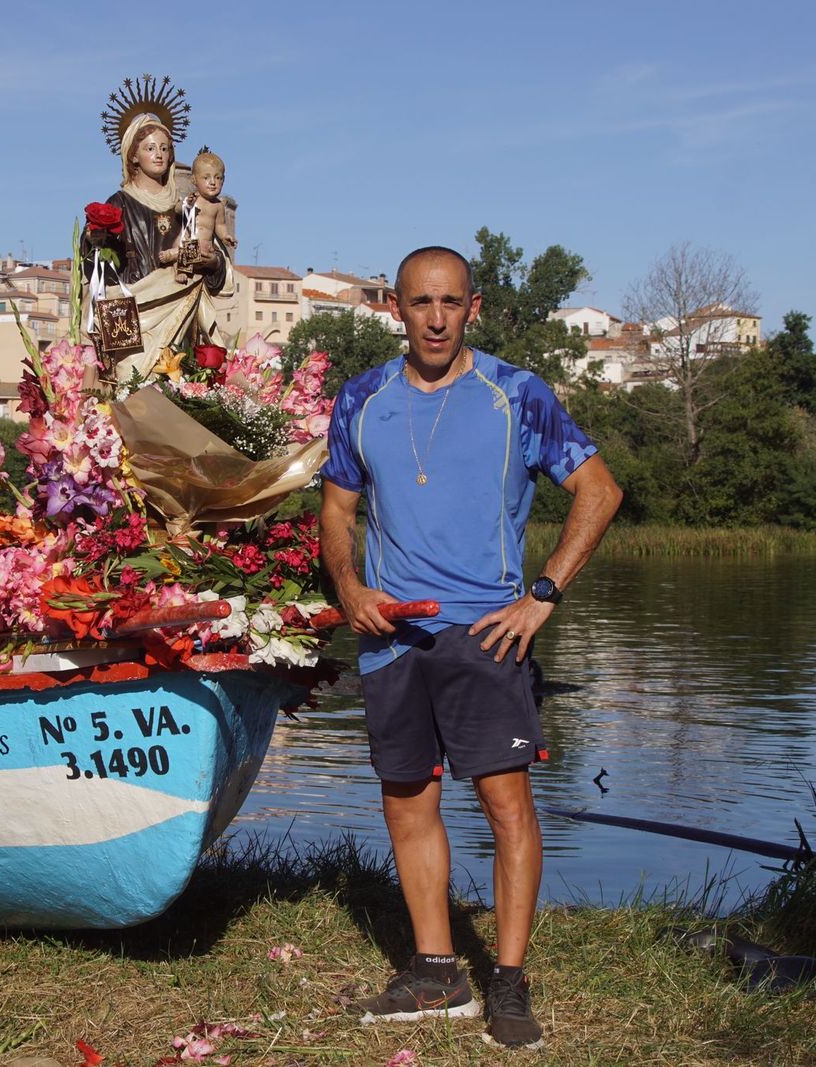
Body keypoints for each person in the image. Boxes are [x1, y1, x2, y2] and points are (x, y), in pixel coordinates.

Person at [319, 245, 622, 1049]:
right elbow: (337, 508)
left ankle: (510, 984)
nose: (437, 317)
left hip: (487, 629)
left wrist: (542, 595)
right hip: (391, 636)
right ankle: (437, 970)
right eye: (421, 302)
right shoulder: (362, 397)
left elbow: (600, 489)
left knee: (505, 804)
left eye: (452, 302)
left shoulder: (515, 394)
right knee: (407, 799)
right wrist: (348, 587)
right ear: (395, 307)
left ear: (474, 307)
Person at [86, 111, 236, 381]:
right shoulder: (118, 203)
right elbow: (98, 270)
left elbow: (215, 263)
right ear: (133, 155)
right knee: (132, 389)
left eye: (165, 149)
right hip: (135, 313)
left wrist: (211, 262)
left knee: (176, 390)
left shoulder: (188, 204)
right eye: (150, 148)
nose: (159, 155)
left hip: (181, 311)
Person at [177, 149, 235, 284]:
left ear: (224, 180)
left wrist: (225, 236)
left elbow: (220, 225)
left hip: (207, 245)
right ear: (194, 180)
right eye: (206, 177)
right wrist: (187, 204)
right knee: (186, 248)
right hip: (191, 240)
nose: (213, 182)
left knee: (206, 256)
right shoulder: (193, 199)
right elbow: (178, 210)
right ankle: (182, 270)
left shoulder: (218, 205)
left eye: (218, 177)